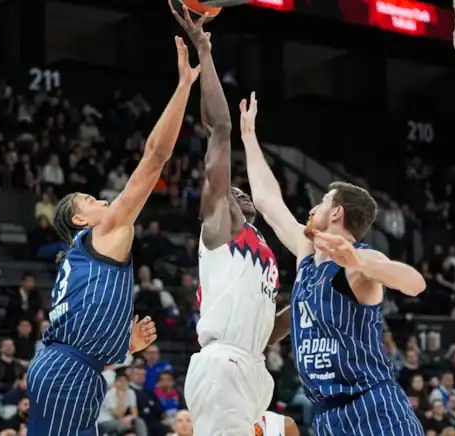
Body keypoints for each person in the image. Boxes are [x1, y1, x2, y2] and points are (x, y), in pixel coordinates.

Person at [26, 35, 200, 436]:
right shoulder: (104, 231)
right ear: (80, 221)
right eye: (88, 199)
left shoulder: (82, 256)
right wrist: (184, 86)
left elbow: (83, 328)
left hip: (71, 369)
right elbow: (155, 155)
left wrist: (124, 349)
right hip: (68, 372)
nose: (99, 198)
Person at [239, 91, 427, 435]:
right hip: (327, 415)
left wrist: (362, 263)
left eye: (322, 201)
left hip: (372, 406)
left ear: (337, 212)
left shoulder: (358, 264)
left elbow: (415, 283)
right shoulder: (306, 252)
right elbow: (267, 201)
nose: (311, 208)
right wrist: (249, 138)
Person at [170, 6, 279, 435]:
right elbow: (219, 128)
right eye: (230, 190)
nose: (237, 191)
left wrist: (311, 303)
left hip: (254, 369)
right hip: (224, 365)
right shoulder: (220, 222)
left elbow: (268, 329)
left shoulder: (261, 248)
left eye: (240, 191)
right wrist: (204, 50)